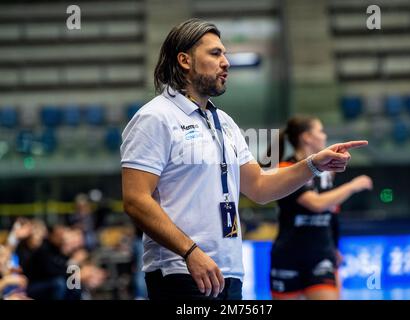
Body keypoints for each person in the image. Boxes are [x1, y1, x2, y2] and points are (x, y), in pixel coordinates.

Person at [120, 18, 368, 300]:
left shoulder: (224, 122)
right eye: (215, 54)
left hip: (228, 272)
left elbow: (260, 187)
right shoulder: (155, 117)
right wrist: (190, 252)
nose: (225, 62)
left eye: (224, 54)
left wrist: (313, 164)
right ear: (185, 60)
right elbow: (136, 200)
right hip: (179, 271)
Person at [270, 115, 373, 300]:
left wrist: (334, 247)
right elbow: (316, 203)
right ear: (307, 137)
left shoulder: (327, 172)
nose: (324, 136)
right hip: (288, 255)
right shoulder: (286, 168)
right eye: (321, 131)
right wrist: (353, 186)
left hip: (321, 255)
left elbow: (331, 211)